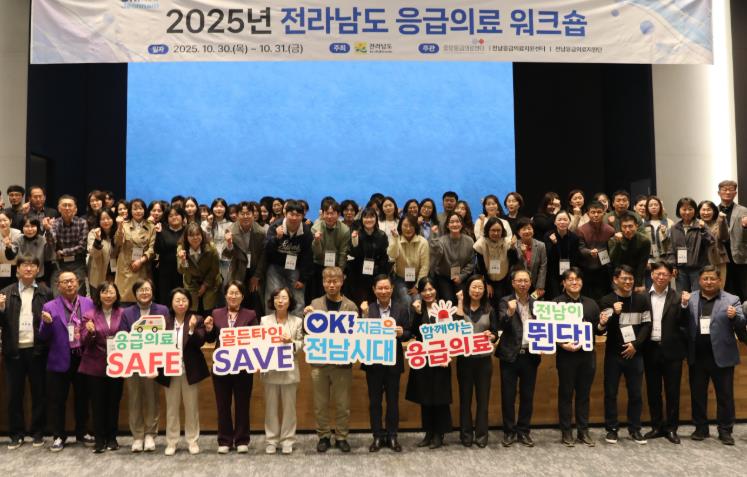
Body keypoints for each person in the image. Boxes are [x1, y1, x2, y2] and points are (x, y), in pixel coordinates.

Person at [681, 266, 745, 445]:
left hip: (722, 356)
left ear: (719, 281)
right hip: (698, 356)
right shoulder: (690, 298)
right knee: (698, 395)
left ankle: (725, 430)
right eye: (705, 279)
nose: (709, 282)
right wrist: (683, 306)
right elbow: (683, 322)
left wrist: (735, 316)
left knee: (725, 396)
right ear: (699, 281)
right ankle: (700, 428)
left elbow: (742, 323)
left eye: (712, 279)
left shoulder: (732, 299)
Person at [0, 255, 54, 449]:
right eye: (24, 265)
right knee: (14, 395)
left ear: (38, 270)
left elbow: (51, 320)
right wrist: (0, 309)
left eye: (32, 266)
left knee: (39, 393)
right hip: (13, 351)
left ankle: (38, 432)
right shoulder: (6, 292)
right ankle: (16, 434)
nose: (29, 269)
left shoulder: (46, 292)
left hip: (37, 350)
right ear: (18, 270)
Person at [38, 271, 95, 451]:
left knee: (83, 397)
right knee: (57, 400)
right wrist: (46, 324)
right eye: (65, 282)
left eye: (72, 281)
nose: (69, 285)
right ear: (58, 285)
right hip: (59, 359)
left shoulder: (89, 303)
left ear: (78, 283)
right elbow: (43, 336)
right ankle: (58, 436)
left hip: (83, 357)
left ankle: (82, 431)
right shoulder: (49, 306)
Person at [303, 266, 357, 453]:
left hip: (342, 363)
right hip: (319, 363)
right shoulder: (315, 304)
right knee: (320, 405)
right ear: (323, 283)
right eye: (328, 281)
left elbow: (357, 335)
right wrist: (306, 317)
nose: (331, 285)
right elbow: (307, 333)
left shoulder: (351, 306)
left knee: (343, 404)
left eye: (335, 281)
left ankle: (341, 436)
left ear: (342, 282)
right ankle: (323, 436)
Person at [598, 265, 652, 445]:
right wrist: (614, 313)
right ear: (615, 280)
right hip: (613, 354)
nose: (628, 282)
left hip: (635, 354)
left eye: (631, 279)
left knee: (636, 394)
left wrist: (635, 345)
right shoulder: (607, 300)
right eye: (624, 278)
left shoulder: (642, 299)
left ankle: (635, 429)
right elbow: (603, 328)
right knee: (610, 393)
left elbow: (647, 325)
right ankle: (612, 429)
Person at [204, 281, 257, 454]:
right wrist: (209, 329)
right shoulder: (216, 313)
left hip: (243, 366)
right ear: (225, 295)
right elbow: (211, 339)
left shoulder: (250, 314)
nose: (233, 296)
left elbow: (256, 339)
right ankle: (225, 439)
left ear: (242, 296)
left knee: (242, 404)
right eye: (230, 293)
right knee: (223, 405)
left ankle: (242, 439)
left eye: (237, 293)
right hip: (221, 366)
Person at [360, 275, 411, 452]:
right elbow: (359, 333)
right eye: (380, 288)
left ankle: (392, 436)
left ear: (392, 289)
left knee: (393, 401)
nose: (383, 291)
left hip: (393, 363)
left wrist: (402, 333)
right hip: (373, 363)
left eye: (386, 288)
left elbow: (409, 332)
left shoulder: (401, 309)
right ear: (374, 290)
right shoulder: (368, 309)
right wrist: (364, 316)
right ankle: (377, 436)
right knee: (374, 402)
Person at [157, 288, 209, 456]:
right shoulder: (164, 321)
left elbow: (200, 341)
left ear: (189, 302)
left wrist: (192, 329)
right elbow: (156, 346)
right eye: (177, 300)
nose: (181, 303)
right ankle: (172, 441)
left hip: (189, 371)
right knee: (171, 408)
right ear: (171, 303)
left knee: (191, 407)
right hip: (170, 370)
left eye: (184, 300)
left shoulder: (197, 319)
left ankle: (192, 441)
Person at [553, 268, 600, 447]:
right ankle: (566, 431)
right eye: (570, 279)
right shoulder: (556, 304)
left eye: (578, 279)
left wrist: (602, 324)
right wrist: (561, 344)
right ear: (564, 283)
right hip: (566, 355)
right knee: (565, 393)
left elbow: (598, 330)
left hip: (587, 355)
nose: (574, 282)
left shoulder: (591, 304)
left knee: (584, 394)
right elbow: (550, 330)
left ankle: (583, 431)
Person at [120, 279, 168, 452]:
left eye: (147, 289)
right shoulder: (127, 313)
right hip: (133, 362)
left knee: (152, 397)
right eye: (141, 290)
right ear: (135, 293)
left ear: (152, 292)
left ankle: (150, 434)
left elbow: (167, 335)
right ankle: (138, 436)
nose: (144, 293)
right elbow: (122, 335)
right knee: (134, 398)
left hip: (152, 362)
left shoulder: (162, 310)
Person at [642, 261, 687, 444]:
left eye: (665, 274)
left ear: (671, 276)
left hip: (672, 351)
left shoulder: (678, 297)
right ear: (652, 275)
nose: (661, 277)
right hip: (650, 349)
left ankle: (671, 428)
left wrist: (685, 306)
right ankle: (656, 426)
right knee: (653, 391)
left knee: (672, 392)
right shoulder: (643, 297)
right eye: (658, 274)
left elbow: (685, 323)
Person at [405, 277, 452, 449]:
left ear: (436, 290)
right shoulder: (418, 308)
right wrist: (417, 314)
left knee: (440, 398)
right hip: (424, 358)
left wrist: (447, 354)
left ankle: (440, 434)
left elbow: (451, 333)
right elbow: (414, 332)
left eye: (431, 289)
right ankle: (428, 433)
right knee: (425, 397)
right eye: (424, 290)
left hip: (441, 358)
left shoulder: (444, 307)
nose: (428, 293)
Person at [496, 269, 540, 447]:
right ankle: (509, 431)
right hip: (510, 356)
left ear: (530, 283)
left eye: (526, 281)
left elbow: (545, 327)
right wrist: (509, 313)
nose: (523, 284)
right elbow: (500, 324)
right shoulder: (505, 301)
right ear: (513, 283)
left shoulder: (537, 304)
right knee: (508, 396)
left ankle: (523, 431)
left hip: (530, 355)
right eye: (519, 281)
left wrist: (544, 344)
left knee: (527, 396)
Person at [79, 281, 124, 453]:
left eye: (111, 292)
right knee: (97, 404)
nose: (108, 295)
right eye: (104, 292)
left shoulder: (123, 313)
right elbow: (84, 341)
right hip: (95, 365)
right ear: (98, 295)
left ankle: (112, 438)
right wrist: (90, 332)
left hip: (118, 365)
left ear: (117, 295)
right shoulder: (89, 314)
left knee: (114, 403)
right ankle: (99, 439)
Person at [454, 275, 498, 448]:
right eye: (474, 287)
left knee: (483, 400)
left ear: (484, 290)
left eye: (480, 287)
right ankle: (465, 435)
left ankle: (481, 435)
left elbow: (495, 333)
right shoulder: (461, 308)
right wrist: (460, 301)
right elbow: (455, 327)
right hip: (464, 360)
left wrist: (491, 335)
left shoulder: (490, 309)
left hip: (483, 361)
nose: (477, 291)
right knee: (465, 400)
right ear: (468, 289)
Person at [261, 287, 304, 455]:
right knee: (270, 408)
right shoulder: (264, 321)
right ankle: (271, 440)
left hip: (289, 371)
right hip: (270, 370)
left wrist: (290, 342)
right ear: (272, 301)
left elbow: (301, 344)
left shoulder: (297, 321)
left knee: (289, 409)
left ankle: (287, 440)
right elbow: (259, 343)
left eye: (284, 298)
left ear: (290, 301)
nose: (280, 301)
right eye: (277, 298)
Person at [264, 200, 313, 317]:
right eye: (292, 214)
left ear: (303, 216)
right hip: (275, 267)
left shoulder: (306, 231)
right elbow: (266, 250)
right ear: (285, 213)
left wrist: (303, 279)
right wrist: (276, 238)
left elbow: (308, 256)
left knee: (298, 297)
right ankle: (271, 325)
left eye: (298, 215)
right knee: (273, 296)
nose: (294, 218)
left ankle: (297, 325)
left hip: (295, 267)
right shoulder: (275, 226)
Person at [222, 201, 267, 312]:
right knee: (237, 299)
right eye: (242, 214)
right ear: (237, 216)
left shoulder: (261, 232)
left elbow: (264, 256)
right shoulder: (230, 230)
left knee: (256, 300)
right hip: (237, 270)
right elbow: (226, 254)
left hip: (255, 270)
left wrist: (256, 276)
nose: (245, 216)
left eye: (248, 213)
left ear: (253, 215)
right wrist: (229, 244)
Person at [44, 195, 88, 296]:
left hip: (78, 263)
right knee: (56, 294)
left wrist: (63, 252)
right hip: (59, 264)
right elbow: (52, 242)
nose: (67, 208)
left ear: (75, 209)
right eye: (64, 205)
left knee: (77, 294)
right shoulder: (54, 223)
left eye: (70, 205)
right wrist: (48, 229)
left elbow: (82, 246)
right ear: (59, 208)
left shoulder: (82, 223)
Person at [668, 197, 714, 293]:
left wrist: (703, 230)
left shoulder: (701, 225)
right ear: (679, 210)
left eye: (690, 209)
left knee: (697, 295)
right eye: (684, 209)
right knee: (682, 295)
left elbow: (710, 242)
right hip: (681, 270)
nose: (687, 212)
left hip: (698, 268)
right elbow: (671, 248)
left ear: (695, 210)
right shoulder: (674, 228)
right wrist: (673, 266)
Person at [114, 198, 156, 304]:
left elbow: (152, 249)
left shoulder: (151, 226)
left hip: (142, 266)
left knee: (141, 296)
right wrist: (119, 227)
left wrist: (141, 261)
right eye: (135, 209)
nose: (138, 211)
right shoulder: (124, 225)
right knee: (124, 300)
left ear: (145, 210)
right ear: (130, 211)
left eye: (140, 208)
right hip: (126, 266)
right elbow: (118, 242)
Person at [346, 207, 389, 306]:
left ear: (376, 219)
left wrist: (381, 275)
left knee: (374, 302)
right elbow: (352, 255)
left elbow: (384, 257)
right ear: (362, 219)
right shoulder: (356, 234)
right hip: (358, 274)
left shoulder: (382, 235)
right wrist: (354, 241)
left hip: (376, 273)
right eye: (366, 217)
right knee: (360, 301)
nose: (369, 220)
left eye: (371, 217)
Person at [429, 212, 474, 303]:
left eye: (457, 221)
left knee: (463, 299)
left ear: (461, 224)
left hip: (461, 276)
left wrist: (461, 276)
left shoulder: (469, 241)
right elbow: (435, 258)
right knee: (449, 301)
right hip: (444, 276)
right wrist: (434, 236)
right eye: (452, 222)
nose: (455, 224)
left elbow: (471, 262)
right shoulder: (441, 241)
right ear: (447, 225)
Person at [473, 216, 517, 311]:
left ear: (502, 231)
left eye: (498, 230)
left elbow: (514, 261)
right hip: (487, 278)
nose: (496, 233)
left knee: (501, 302)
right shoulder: (480, 243)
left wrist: (513, 249)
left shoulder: (508, 242)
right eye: (493, 230)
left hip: (503, 278)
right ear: (487, 230)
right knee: (489, 304)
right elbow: (481, 266)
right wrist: (487, 283)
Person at [177, 222, 222, 313]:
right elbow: (181, 271)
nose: (195, 238)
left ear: (202, 235)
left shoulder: (211, 248)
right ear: (186, 237)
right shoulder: (181, 249)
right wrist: (183, 261)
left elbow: (215, 270)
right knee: (193, 310)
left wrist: (205, 285)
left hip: (210, 281)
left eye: (198, 234)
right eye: (191, 235)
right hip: (191, 283)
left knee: (209, 310)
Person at [310, 198, 350, 300]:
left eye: (332, 213)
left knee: (336, 295)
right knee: (318, 295)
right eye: (327, 213)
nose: (329, 216)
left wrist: (340, 272)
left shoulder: (345, 230)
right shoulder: (315, 228)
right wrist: (317, 241)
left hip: (336, 266)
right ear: (323, 214)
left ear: (338, 214)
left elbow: (343, 253)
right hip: (319, 265)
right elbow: (316, 254)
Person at [388, 215, 429, 311]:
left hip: (418, 279)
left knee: (417, 300)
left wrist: (417, 286)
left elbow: (425, 266)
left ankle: (415, 321)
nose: (408, 229)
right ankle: (404, 321)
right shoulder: (396, 239)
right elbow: (392, 255)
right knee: (406, 300)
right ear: (400, 226)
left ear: (415, 226)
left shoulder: (423, 242)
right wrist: (395, 239)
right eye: (405, 225)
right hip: (400, 278)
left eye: (411, 225)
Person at [576, 200, 616, 300]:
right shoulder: (581, 230)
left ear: (604, 213)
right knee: (586, 298)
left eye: (599, 212)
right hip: (586, 269)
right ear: (588, 214)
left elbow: (612, 250)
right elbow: (580, 248)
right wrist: (589, 252)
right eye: (593, 212)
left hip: (604, 269)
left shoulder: (610, 230)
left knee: (603, 297)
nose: (596, 215)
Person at [715, 180, 747, 301]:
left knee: (742, 288)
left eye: (731, 189)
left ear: (735, 193)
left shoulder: (744, 210)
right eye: (724, 189)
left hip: (739, 255)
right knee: (724, 286)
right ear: (719, 193)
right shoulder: (713, 210)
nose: (728, 192)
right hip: (720, 255)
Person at [608, 212, 652, 293]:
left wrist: (638, 284)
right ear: (620, 228)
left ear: (636, 226)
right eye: (624, 227)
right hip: (618, 275)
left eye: (630, 226)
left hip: (636, 274)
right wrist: (618, 243)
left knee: (638, 296)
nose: (627, 230)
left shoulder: (644, 241)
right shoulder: (614, 240)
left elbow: (642, 264)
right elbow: (613, 260)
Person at [544, 210, 580, 299]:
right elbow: (548, 256)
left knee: (569, 296)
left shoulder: (574, 237)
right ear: (555, 222)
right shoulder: (548, 235)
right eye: (559, 220)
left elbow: (575, 258)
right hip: (552, 273)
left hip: (568, 271)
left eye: (565, 219)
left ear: (569, 221)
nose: (562, 222)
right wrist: (554, 244)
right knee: (555, 297)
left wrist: (569, 274)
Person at [155, 206, 185, 306]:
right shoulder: (162, 231)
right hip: (165, 273)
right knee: (165, 299)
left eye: (177, 214)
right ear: (167, 218)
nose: (174, 217)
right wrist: (159, 234)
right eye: (170, 215)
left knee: (182, 298)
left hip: (183, 272)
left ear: (182, 216)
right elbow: (158, 250)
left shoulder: (187, 231)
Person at [513, 218, 547, 298]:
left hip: (535, 284)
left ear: (533, 230)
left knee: (534, 304)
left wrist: (540, 286)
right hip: (519, 284)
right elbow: (515, 266)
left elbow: (543, 266)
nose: (527, 231)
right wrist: (523, 254)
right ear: (518, 232)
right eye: (524, 229)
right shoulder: (514, 246)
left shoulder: (541, 245)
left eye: (529, 228)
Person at [641, 196, 674, 276]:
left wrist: (665, 233)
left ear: (660, 206)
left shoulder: (669, 222)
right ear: (647, 208)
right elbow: (641, 244)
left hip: (664, 260)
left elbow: (672, 243)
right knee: (649, 282)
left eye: (656, 205)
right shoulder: (642, 223)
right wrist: (645, 260)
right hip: (649, 260)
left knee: (663, 281)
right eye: (650, 205)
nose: (653, 207)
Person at [698, 200, 730, 281]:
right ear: (699, 211)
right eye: (703, 210)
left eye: (709, 210)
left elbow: (724, 237)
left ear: (714, 211)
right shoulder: (696, 224)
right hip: (700, 261)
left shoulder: (719, 222)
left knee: (719, 284)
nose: (706, 212)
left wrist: (722, 221)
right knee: (703, 285)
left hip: (718, 259)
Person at [202, 197, 232, 283]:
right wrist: (209, 225)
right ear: (212, 208)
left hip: (225, 260)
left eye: (221, 206)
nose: (219, 209)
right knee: (210, 284)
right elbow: (204, 240)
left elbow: (231, 245)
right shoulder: (205, 223)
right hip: (209, 259)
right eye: (216, 206)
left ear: (225, 209)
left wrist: (229, 242)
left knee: (225, 284)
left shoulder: (230, 224)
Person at [86, 209, 117, 291]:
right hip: (98, 272)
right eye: (102, 219)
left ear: (113, 219)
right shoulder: (93, 233)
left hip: (115, 272)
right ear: (98, 221)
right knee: (98, 296)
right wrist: (98, 240)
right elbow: (93, 254)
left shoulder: (117, 232)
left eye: (108, 218)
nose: (106, 221)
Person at [0, 210, 22, 289]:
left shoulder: (18, 234)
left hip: (16, 267)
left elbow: (14, 254)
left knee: (15, 289)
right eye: (0, 221)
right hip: (3, 267)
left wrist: (9, 246)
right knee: (3, 289)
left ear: (10, 221)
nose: (2, 223)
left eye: (5, 220)